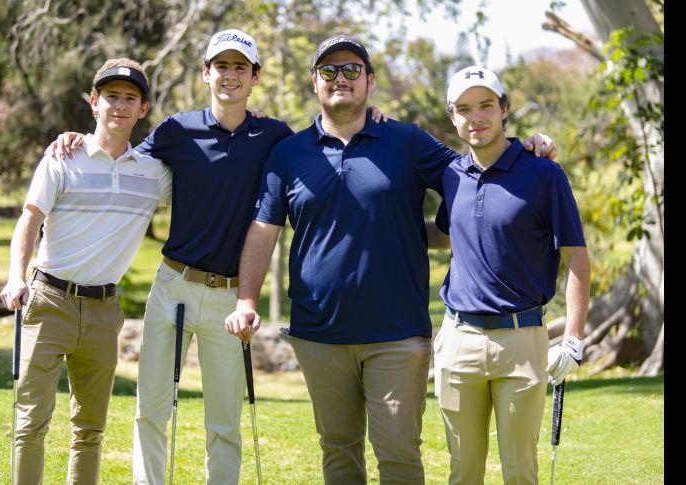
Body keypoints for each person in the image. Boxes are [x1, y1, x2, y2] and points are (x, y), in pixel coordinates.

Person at [48, 28, 389, 485]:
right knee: (151, 409)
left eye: (240, 68)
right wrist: (80, 137)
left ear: (254, 77)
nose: (230, 76)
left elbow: (326, 135)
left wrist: (373, 118)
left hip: (231, 297)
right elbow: (120, 158)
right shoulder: (176, 131)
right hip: (172, 287)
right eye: (221, 66)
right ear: (206, 73)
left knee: (224, 422)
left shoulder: (274, 136)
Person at [224, 35, 556, 484]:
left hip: (397, 335)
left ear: (370, 81)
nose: (340, 79)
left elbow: (478, 172)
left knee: (399, 457)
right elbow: (264, 231)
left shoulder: (406, 142)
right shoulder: (288, 153)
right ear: (314, 83)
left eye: (351, 70)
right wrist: (247, 299)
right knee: (338, 453)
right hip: (319, 334)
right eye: (329, 71)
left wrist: (524, 148)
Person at [0, 58, 171, 484]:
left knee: (90, 430)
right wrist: (15, 275)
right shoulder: (62, 158)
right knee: (30, 423)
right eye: (111, 96)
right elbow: (30, 218)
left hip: (103, 310)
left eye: (130, 98)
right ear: (94, 102)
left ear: (143, 109)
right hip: (48, 301)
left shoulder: (153, 174)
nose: (120, 105)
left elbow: (213, 176)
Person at [429, 65, 590, 484]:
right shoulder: (452, 175)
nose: (475, 117)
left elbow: (576, 260)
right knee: (463, 473)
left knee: (520, 472)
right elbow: (451, 234)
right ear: (453, 116)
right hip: (458, 339)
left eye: (485, 106)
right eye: (464, 109)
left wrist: (572, 338)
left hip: (522, 340)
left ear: (505, 109)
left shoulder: (544, 174)